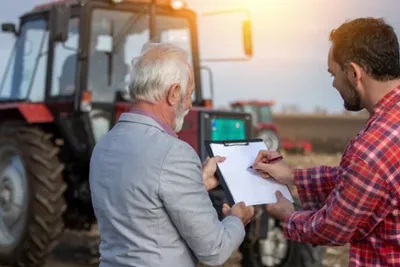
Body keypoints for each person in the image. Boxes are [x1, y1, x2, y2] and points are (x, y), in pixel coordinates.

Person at [89, 42, 254, 267]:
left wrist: (196, 183)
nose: (188, 104)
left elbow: (143, 203)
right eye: (189, 94)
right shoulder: (174, 153)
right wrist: (237, 219)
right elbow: (214, 250)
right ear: (174, 93)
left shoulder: (104, 145)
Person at [253, 17, 400, 267]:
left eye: (334, 74)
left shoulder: (372, 148)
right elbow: (361, 180)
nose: (333, 84)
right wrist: (292, 176)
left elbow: (333, 227)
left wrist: (289, 216)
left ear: (354, 73)